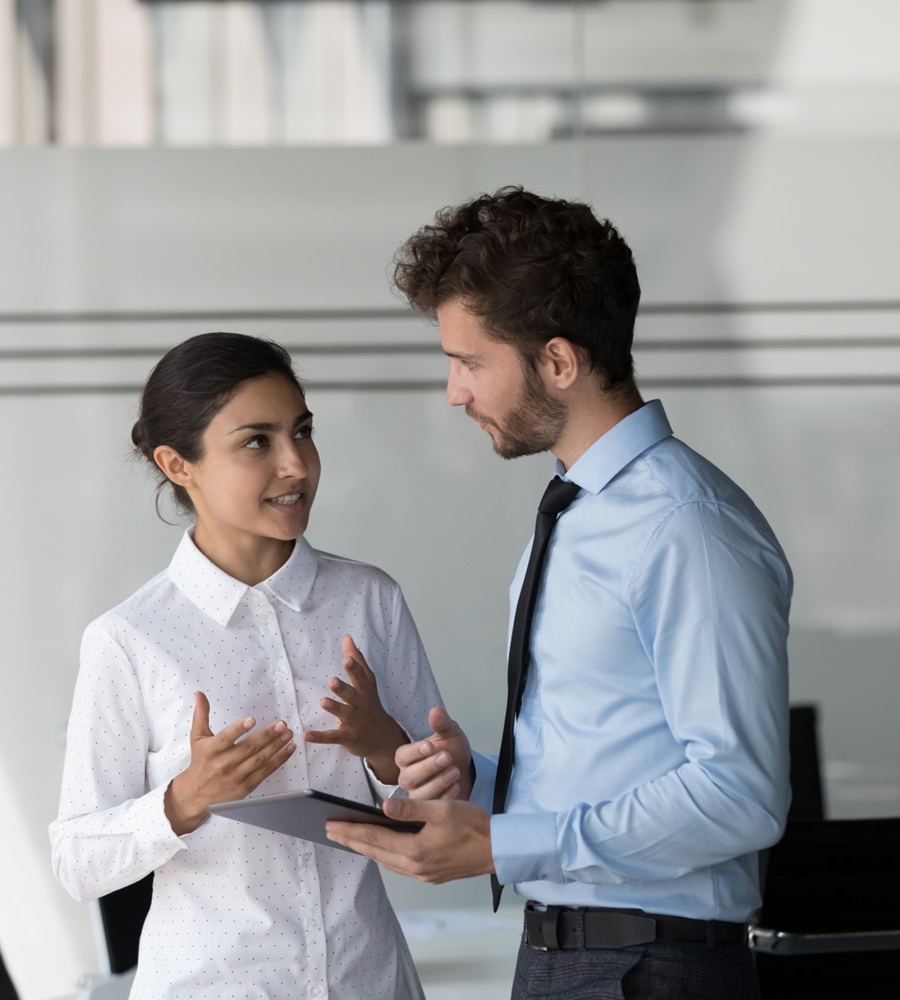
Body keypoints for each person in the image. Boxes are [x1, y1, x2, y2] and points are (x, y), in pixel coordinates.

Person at [326, 187, 793, 1000]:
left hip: (652, 969)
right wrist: (477, 782)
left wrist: (507, 845)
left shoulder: (686, 529)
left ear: (559, 361)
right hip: (573, 959)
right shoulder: (580, 515)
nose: (454, 392)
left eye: (470, 362)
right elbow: (605, 766)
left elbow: (740, 795)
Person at [50, 332, 442, 1000]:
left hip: (368, 980)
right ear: (179, 465)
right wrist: (184, 799)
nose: (296, 465)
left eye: (303, 432)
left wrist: (385, 747)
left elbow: (442, 819)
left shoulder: (370, 601)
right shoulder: (130, 639)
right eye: (257, 442)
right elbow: (77, 862)